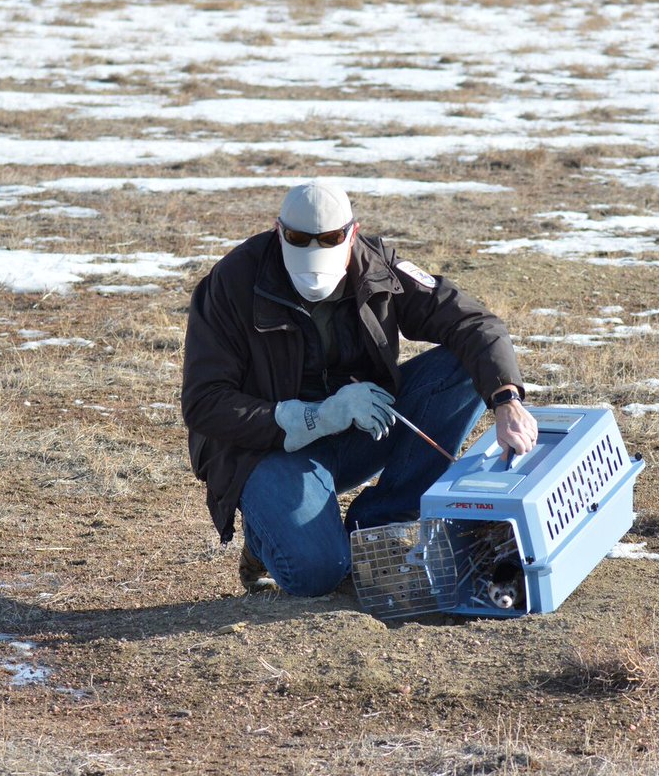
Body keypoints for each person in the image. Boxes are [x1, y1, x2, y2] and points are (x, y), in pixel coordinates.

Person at [181, 180, 538, 596]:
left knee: (462, 364)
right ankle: (264, 540)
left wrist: (506, 399)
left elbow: (472, 323)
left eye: (330, 244)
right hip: (268, 450)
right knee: (318, 572)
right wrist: (317, 416)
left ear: (352, 233)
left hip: (362, 427)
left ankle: (377, 527)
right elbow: (205, 402)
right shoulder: (231, 284)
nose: (315, 268)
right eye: (299, 244)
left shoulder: (376, 267)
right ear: (279, 232)